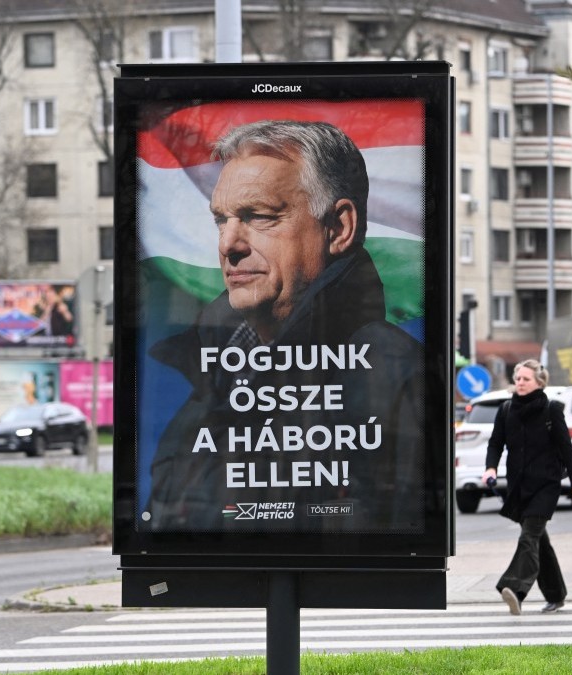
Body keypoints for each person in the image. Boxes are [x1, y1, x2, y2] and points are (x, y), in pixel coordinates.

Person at [145, 119, 426, 532]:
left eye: (258, 216)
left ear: (339, 228)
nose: (228, 245)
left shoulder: (395, 372)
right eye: (221, 220)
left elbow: (394, 530)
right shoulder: (216, 372)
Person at [482, 360, 572, 615]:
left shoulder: (551, 410)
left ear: (540, 383)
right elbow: (495, 443)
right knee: (539, 542)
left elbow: (566, 449)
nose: (520, 383)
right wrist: (491, 467)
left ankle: (515, 589)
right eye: (518, 378)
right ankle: (556, 594)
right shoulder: (506, 410)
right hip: (519, 486)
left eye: (526, 379)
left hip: (546, 486)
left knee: (529, 537)